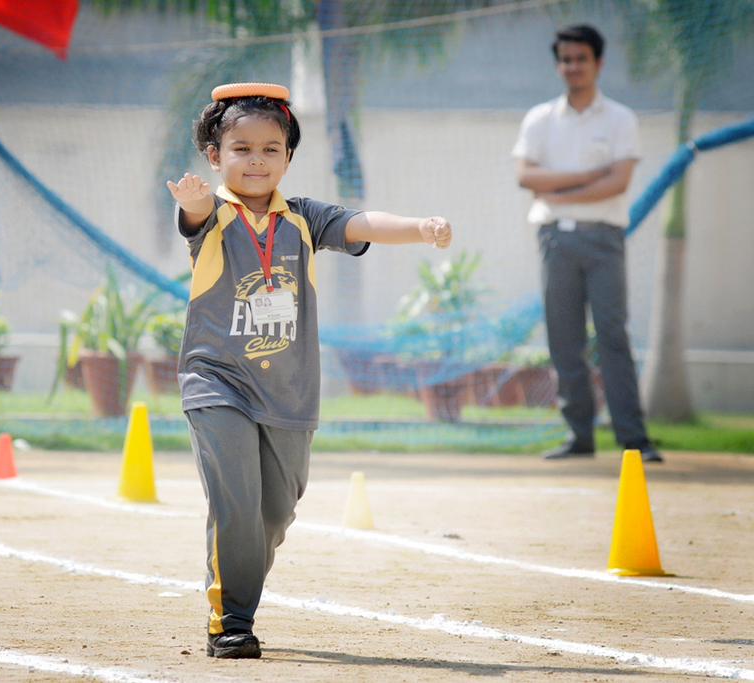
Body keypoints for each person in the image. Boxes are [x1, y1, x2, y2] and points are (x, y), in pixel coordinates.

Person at [166, 82, 452, 659]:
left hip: (290, 392)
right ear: (215, 154)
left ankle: (238, 595)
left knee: (276, 511)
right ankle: (232, 622)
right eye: (241, 148)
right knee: (236, 504)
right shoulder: (214, 212)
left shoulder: (303, 219)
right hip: (216, 380)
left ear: (289, 156)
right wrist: (194, 200)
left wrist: (420, 226)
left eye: (271, 149)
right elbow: (192, 216)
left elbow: (363, 222)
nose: (256, 160)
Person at [512, 24, 662, 463]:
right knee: (564, 339)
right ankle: (579, 437)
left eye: (581, 58)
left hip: (604, 240)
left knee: (613, 336)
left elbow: (618, 183)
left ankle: (634, 439)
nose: (572, 67)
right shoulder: (540, 119)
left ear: (598, 62)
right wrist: (589, 175)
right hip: (555, 241)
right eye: (565, 59)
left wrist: (556, 190)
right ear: (558, 64)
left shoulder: (620, 119)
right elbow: (525, 176)